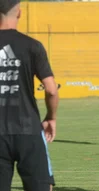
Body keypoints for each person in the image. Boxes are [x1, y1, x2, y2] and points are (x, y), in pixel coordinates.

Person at [0, 0, 59, 190]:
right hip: (28, 129)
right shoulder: (32, 46)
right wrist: (51, 118)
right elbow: (51, 89)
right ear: (19, 13)